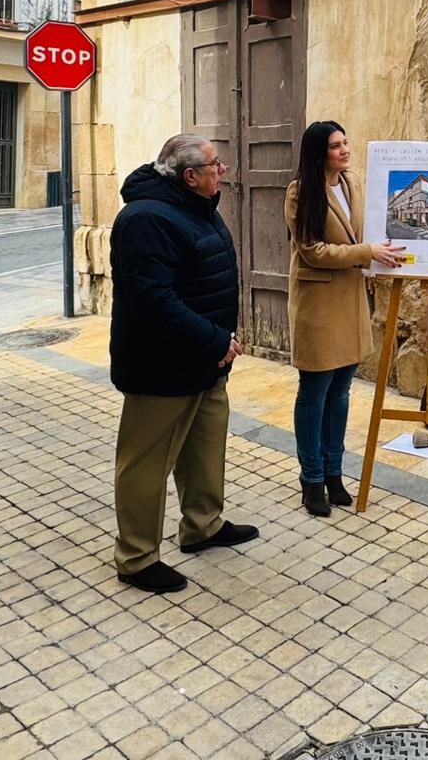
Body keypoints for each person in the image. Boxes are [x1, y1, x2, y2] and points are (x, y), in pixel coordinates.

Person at [109, 133, 258, 594]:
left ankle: (202, 525)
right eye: (216, 166)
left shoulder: (194, 207)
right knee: (146, 464)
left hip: (206, 360)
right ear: (189, 176)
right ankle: (136, 557)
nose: (224, 172)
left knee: (204, 448)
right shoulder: (145, 219)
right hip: (162, 366)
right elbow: (152, 300)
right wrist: (214, 337)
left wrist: (218, 343)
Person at [285, 121, 405, 517]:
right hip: (319, 305)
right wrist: (366, 252)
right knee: (315, 392)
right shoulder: (300, 191)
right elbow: (311, 251)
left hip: (352, 301)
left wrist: (376, 249)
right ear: (320, 153)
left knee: (340, 393)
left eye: (345, 142)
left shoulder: (352, 184)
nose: (345, 150)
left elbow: (361, 236)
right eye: (336, 146)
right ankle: (312, 479)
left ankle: (335, 474)